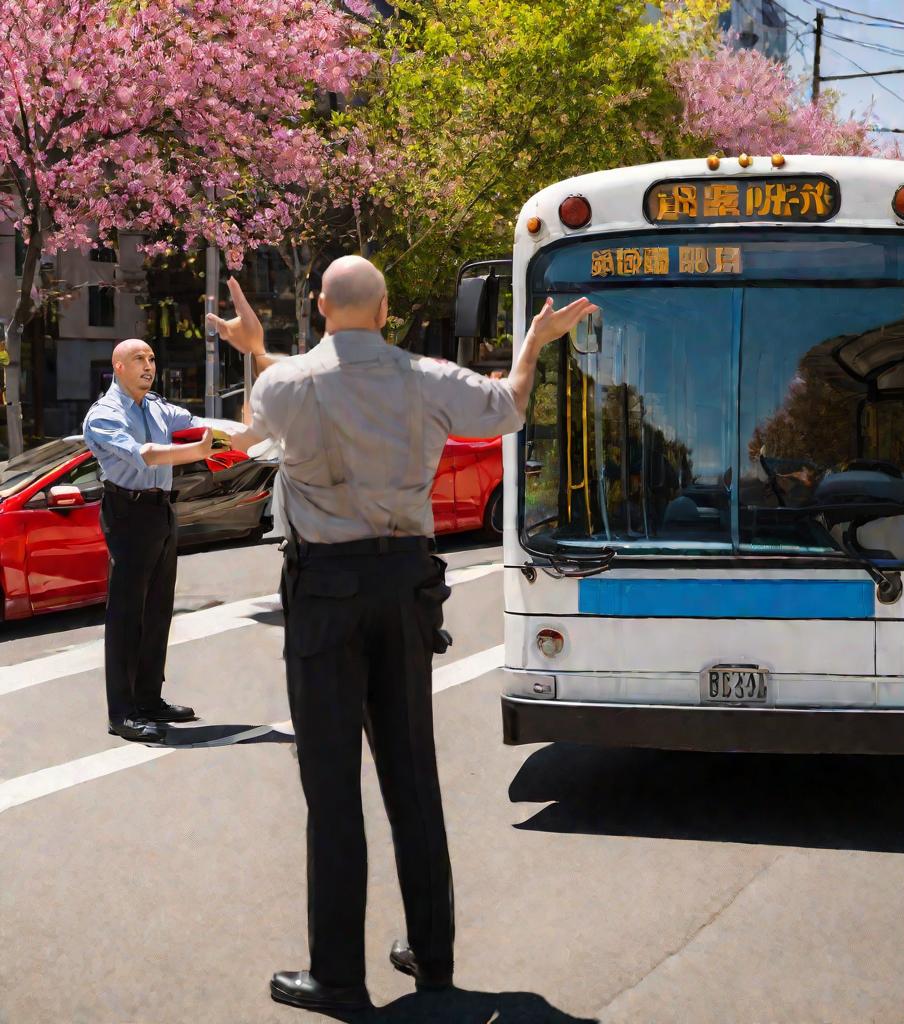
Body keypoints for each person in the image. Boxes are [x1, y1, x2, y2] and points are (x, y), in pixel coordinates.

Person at [207, 258, 597, 1014]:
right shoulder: (428, 376)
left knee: (332, 787)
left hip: (323, 593)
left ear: (319, 306)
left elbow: (259, 419)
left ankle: (339, 977)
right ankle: (434, 956)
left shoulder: (284, 384)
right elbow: (511, 407)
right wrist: (535, 340)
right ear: (385, 308)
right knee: (412, 779)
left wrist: (255, 345)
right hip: (405, 588)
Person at [83, 340, 238, 742]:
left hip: (161, 510)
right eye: (139, 359)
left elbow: (198, 425)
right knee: (126, 617)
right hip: (128, 513)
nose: (148, 365)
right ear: (118, 366)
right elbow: (145, 454)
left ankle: (149, 698)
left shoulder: (156, 406)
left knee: (157, 611)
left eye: (152, 358)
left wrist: (244, 434)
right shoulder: (105, 415)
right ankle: (122, 713)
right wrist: (195, 451)